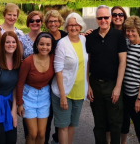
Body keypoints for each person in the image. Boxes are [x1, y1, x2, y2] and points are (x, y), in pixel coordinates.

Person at [86, 5, 127, 144]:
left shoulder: (118, 36)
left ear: (110, 18)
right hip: (95, 84)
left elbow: (122, 62)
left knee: (115, 123)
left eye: (106, 17)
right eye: (100, 18)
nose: (103, 20)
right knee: (99, 123)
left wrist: (117, 87)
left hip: (112, 83)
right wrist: (88, 85)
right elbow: (88, 62)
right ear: (96, 19)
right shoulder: (90, 37)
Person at [51, 12, 89, 144]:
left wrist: (88, 86)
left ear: (81, 26)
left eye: (76, 25)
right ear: (67, 27)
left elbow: (86, 66)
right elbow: (58, 70)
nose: (74, 28)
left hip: (79, 91)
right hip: (64, 91)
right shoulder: (62, 43)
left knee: (73, 125)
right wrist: (62, 96)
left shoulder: (84, 40)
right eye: (71, 25)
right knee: (63, 126)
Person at [17, 32, 56, 144]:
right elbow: (20, 83)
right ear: (37, 45)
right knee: (33, 133)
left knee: (42, 133)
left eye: (48, 45)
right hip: (28, 96)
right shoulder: (28, 61)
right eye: (41, 44)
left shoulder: (53, 58)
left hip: (44, 96)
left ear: (51, 46)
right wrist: (19, 103)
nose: (44, 47)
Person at [121, 16, 140, 144]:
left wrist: (139, 98)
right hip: (126, 92)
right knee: (124, 121)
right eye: (128, 30)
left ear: (139, 30)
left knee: (139, 123)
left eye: (133, 31)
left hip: (136, 93)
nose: (130, 33)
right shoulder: (128, 46)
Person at [44, 9, 68, 144]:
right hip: (48, 80)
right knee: (48, 115)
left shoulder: (66, 36)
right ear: (47, 24)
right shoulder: (44, 37)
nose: (53, 23)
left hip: (63, 79)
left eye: (55, 21)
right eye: (50, 21)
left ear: (59, 22)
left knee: (61, 116)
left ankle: (57, 139)